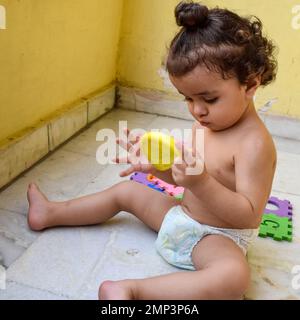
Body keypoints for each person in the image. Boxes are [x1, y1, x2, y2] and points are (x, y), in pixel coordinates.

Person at [27, 1, 277, 300]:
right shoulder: (206, 124)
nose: (197, 110)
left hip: (216, 238)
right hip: (179, 216)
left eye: (209, 99)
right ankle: (51, 212)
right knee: (126, 191)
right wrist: (158, 170)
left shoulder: (255, 144)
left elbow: (248, 216)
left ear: (250, 84)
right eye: (188, 98)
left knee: (234, 278)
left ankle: (133, 291)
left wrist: (201, 183)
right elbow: (183, 180)